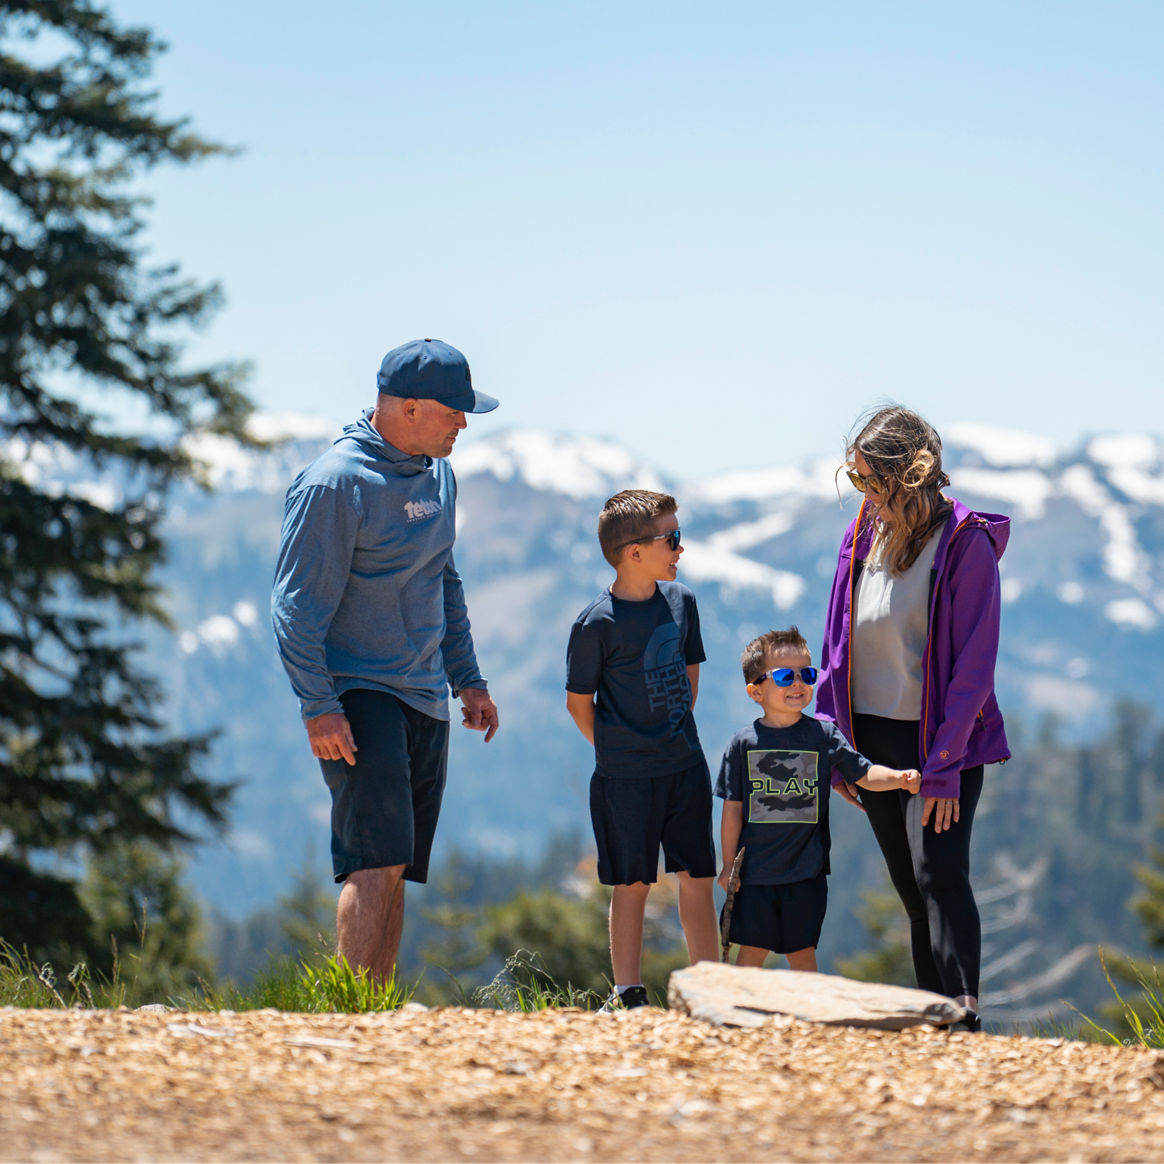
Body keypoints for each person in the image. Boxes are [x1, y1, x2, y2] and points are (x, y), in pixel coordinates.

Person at [271, 338, 500, 984]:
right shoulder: (335, 484)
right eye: (453, 411)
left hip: (424, 694)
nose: (463, 423)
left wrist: (468, 677)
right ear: (406, 408)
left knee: (395, 864)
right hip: (358, 691)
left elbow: (442, 580)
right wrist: (318, 705)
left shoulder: (439, 476)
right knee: (372, 861)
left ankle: (375, 1015)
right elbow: (293, 607)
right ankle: (347, 1022)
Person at [817, 405, 1010, 1033]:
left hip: (940, 742)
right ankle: (935, 1019)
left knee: (940, 873)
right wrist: (836, 748)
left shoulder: (965, 542)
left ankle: (963, 1012)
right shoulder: (859, 537)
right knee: (909, 886)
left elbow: (973, 670)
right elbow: (836, 644)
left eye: (873, 482)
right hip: (871, 738)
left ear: (908, 476)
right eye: (858, 482)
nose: (864, 495)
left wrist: (946, 768)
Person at [566, 489, 720, 1010]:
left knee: (697, 877)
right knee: (630, 883)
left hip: (686, 768)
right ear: (635, 551)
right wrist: (617, 748)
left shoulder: (684, 604)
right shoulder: (595, 624)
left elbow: (690, 677)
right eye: (672, 539)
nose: (681, 549)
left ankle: (712, 989)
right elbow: (577, 703)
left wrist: (671, 734)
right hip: (623, 778)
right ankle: (628, 994)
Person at [716, 627, 921, 972]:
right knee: (751, 953)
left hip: (806, 874)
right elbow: (732, 809)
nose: (798, 684)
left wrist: (899, 779)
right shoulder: (743, 745)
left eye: (806, 674)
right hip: (754, 875)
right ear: (755, 691)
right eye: (784, 676)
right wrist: (728, 865)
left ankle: (811, 1022)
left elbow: (864, 773)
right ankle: (735, 1021)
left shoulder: (822, 736)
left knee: (802, 954)